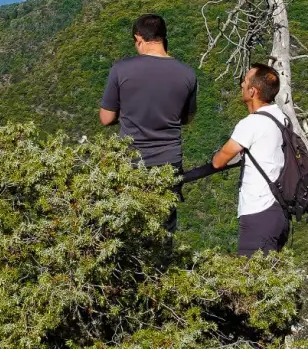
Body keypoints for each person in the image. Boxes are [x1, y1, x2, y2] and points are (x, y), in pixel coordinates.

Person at [100, 14, 199, 230]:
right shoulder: (187, 74)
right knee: (163, 227)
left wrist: (126, 112)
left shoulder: (121, 70)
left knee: (129, 226)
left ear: (139, 38)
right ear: (163, 38)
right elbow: (188, 118)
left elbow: (106, 118)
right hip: (169, 161)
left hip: (132, 161)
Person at [183, 63, 291, 255]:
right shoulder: (280, 118)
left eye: (245, 81)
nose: (241, 84)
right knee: (273, 275)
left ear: (253, 91)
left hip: (258, 212)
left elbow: (219, 161)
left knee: (252, 277)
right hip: (280, 211)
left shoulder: (251, 123)